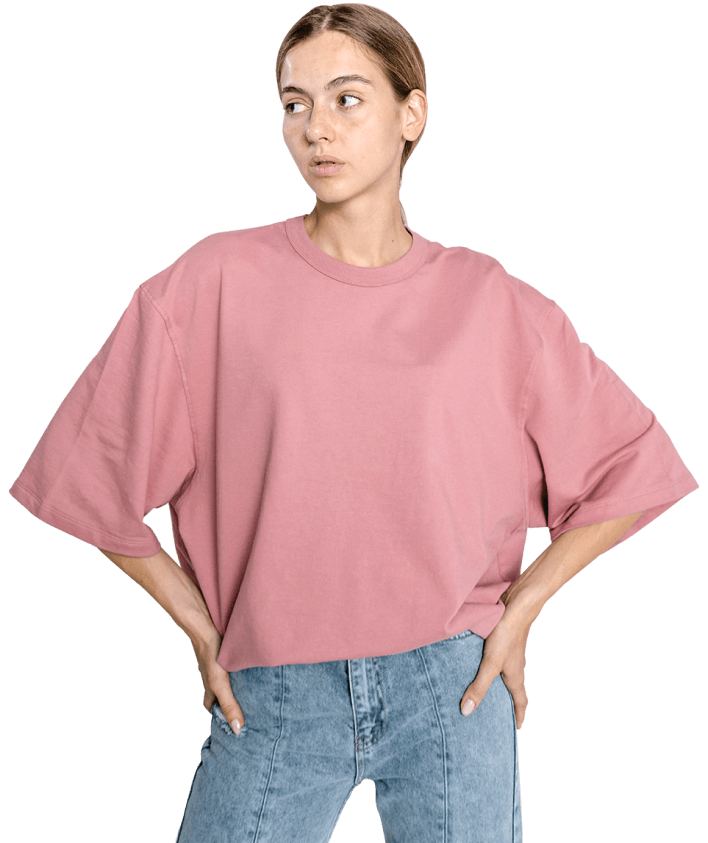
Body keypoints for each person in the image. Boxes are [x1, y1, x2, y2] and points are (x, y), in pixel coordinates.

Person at [7, 4, 699, 842]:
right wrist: (195, 621)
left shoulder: (490, 300)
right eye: (293, 104)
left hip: (454, 687)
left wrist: (525, 605)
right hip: (275, 693)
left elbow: (635, 464)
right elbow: (86, 472)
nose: (315, 129)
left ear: (412, 114)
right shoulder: (212, 281)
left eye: (346, 99)